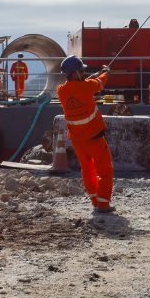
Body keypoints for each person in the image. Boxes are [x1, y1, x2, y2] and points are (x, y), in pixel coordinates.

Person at [57, 55, 115, 214]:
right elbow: (100, 83)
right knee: (105, 170)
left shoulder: (61, 91)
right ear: (75, 72)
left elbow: (78, 88)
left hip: (77, 140)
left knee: (87, 170)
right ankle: (103, 204)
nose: (84, 73)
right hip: (94, 138)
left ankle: (95, 200)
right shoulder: (87, 86)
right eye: (82, 71)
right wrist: (105, 72)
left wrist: (89, 78)